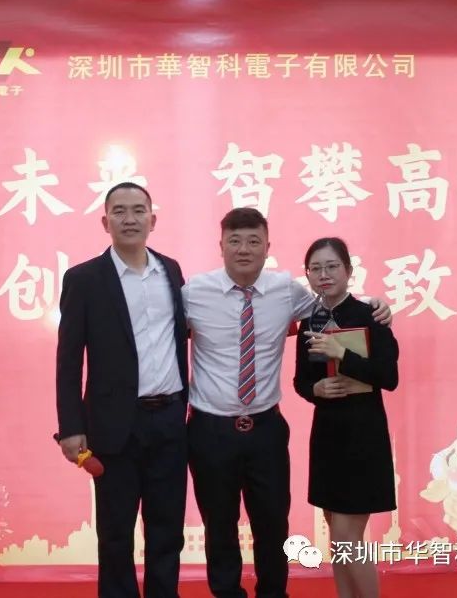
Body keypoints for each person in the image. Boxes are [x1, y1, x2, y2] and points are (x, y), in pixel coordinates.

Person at [181, 209, 391, 598]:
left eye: (254, 241)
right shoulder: (194, 292)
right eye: (234, 241)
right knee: (219, 525)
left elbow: (336, 305)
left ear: (267, 247)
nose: (244, 249)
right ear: (221, 245)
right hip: (210, 430)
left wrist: (376, 305)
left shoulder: (287, 291)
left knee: (273, 523)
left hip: (266, 429)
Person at [55, 182, 189, 598]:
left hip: (170, 421)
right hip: (114, 426)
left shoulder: (171, 271)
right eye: (119, 211)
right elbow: (68, 359)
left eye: (138, 210)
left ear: (153, 219)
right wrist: (71, 427)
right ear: (105, 222)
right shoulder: (84, 279)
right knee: (115, 535)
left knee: (167, 530)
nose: (129, 219)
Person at [293, 237, 399, 598]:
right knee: (336, 536)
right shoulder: (310, 320)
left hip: (363, 436)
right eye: (315, 268)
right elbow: (300, 381)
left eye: (331, 266)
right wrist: (316, 389)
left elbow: (389, 377)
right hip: (327, 437)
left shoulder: (371, 314)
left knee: (346, 536)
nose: (323, 274)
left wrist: (342, 353)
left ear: (349, 271)